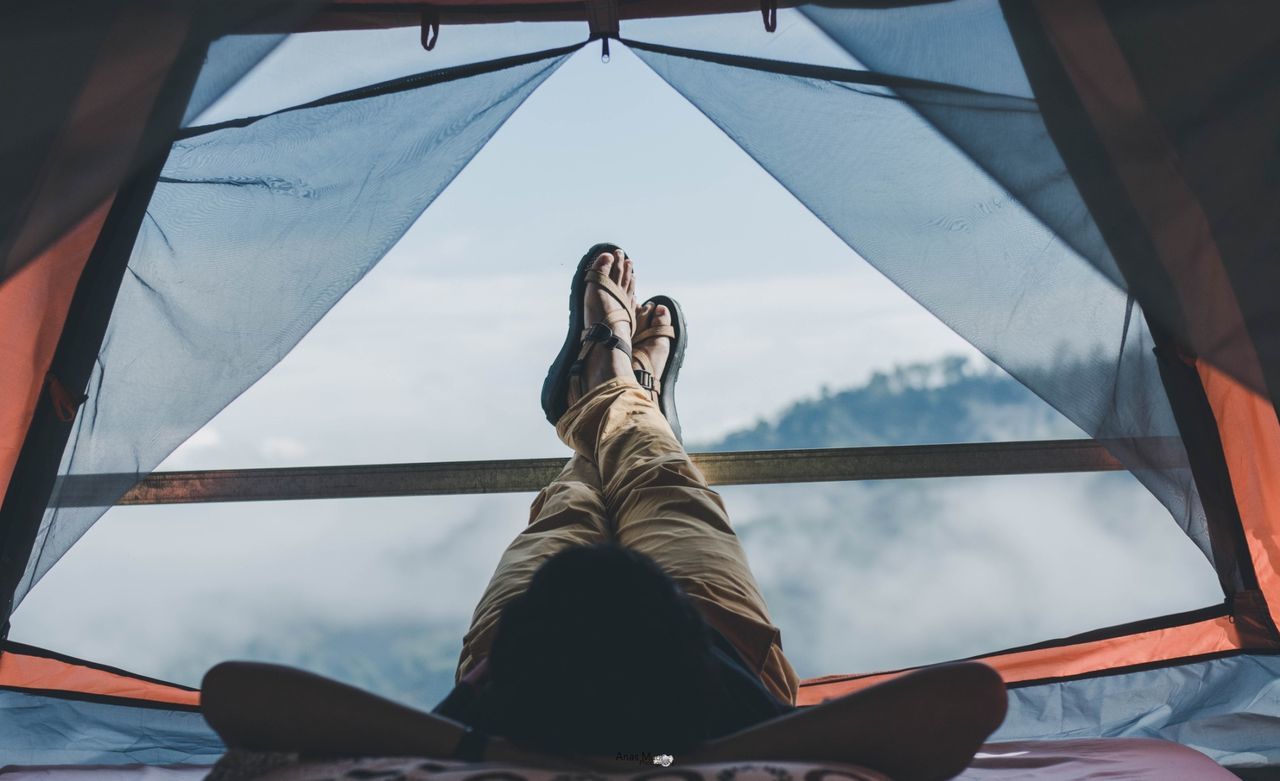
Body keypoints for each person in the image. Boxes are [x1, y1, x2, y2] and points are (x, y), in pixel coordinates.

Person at [202, 246, 1008, 781]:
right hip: (702, 634)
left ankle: (610, 377)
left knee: (576, 496)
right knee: (655, 477)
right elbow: (970, 699)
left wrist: (490, 747)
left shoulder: (492, 718)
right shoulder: (721, 716)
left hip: (548, 649)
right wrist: (688, 757)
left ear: (495, 673)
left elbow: (234, 694)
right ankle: (620, 384)